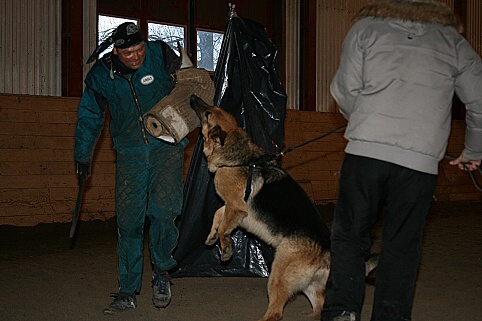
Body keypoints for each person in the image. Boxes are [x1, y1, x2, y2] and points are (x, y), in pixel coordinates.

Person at [321, 1, 482, 320]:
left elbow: (344, 89)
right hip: (419, 162)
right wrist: (473, 151)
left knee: (350, 236)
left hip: (365, 153)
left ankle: (341, 312)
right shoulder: (453, 42)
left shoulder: (365, 28)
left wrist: (363, 121)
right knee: (402, 244)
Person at [74, 22, 186, 315]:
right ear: (116, 51)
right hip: (129, 153)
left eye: (139, 49)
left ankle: (162, 272)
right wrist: (83, 155)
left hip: (167, 147)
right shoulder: (101, 75)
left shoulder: (160, 54)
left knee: (164, 211)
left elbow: (189, 82)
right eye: (129, 53)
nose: (136, 57)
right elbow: (89, 116)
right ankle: (127, 291)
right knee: (129, 222)